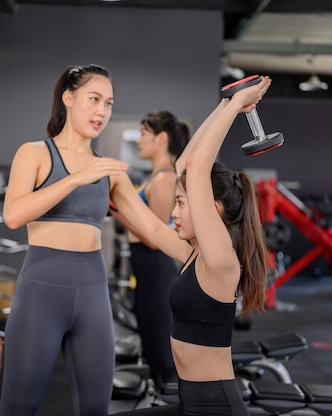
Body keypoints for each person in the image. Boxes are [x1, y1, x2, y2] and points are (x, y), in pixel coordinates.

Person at [0, 64, 193, 416]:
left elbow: (153, 229)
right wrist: (76, 178)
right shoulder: (35, 153)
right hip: (41, 292)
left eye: (109, 103)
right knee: (18, 407)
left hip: (92, 296)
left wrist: (205, 257)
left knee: (95, 408)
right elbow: (13, 215)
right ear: (69, 99)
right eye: (94, 99)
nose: (102, 111)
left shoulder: (108, 171)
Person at [110, 75, 272, 415]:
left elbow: (196, 168)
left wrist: (238, 106)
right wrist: (225, 104)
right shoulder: (194, 253)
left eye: (181, 203)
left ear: (212, 209)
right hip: (192, 402)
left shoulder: (220, 259)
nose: (174, 211)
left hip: (214, 407)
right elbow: (180, 173)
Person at [121, 111, 190, 389]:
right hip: (147, 274)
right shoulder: (157, 177)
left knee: (162, 358)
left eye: (143, 134)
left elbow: (155, 237)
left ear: (161, 138)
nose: (139, 140)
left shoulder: (164, 180)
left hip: (156, 271)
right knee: (151, 347)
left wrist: (118, 209)